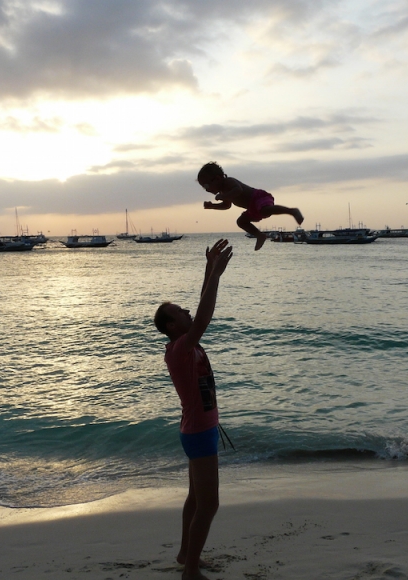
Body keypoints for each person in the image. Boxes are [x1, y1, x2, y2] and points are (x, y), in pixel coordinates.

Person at [154, 238, 233, 580]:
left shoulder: (185, 345)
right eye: (179, 313)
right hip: (199, 433)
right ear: (172, 327)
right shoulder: (179, 349)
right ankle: (190, 571)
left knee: (194, 499)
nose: (187, 312)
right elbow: (203, 316)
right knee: (209, 504)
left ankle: (187, 555)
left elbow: (199, 310)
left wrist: (208, 267)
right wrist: (215, 275)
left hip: (199, 429)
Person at [197, 161, 304, 251]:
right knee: (241, 221)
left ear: (218, 178)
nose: (207, 189)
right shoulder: (223, 191)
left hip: (258, 198)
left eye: (207, 185)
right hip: (252, 208)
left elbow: (238, 190)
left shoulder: (229, 182)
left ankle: (292, 211)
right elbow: (226, 206)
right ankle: (259, 235)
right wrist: (213, 206)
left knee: (265, 210)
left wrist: (224, 195)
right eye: (204, 187)